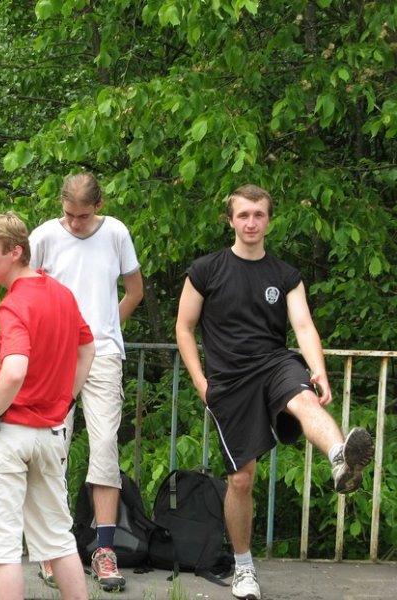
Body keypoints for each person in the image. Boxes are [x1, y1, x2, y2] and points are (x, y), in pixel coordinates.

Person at [175, 184, 374, 600]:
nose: (251, 222)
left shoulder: (284, 275)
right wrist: (200, 381)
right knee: (241, 479)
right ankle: (244, 567)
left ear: (268, 220)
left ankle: (340, 457)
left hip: (274, 363)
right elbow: (185, 328)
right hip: (229, 379)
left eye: (259, 215)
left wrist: (318, 371)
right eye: (243, 215)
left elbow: (303, 326)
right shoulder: (206, 270)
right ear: (231, 220)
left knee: (303, 398)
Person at [0, 213, 95, 600]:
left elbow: (14, 369)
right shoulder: (61, 293)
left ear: (15, 253)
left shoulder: (14, 304)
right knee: (58, 539)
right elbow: (87, 348)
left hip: (8, 433)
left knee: (2, 547)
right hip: (49, 433)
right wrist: (66, 398)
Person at [29, 172, 143, 591]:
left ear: (98, 206)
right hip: (54, 353)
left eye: (83, 215)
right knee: (52, 447)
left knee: (105, 446)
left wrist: (108, 326)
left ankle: (104, 549)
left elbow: (134, 290)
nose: (75, 223)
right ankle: (51, 546)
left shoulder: (116, 232)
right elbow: (26, 292)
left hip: (103, 352)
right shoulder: (44, 236)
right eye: (69, 215)